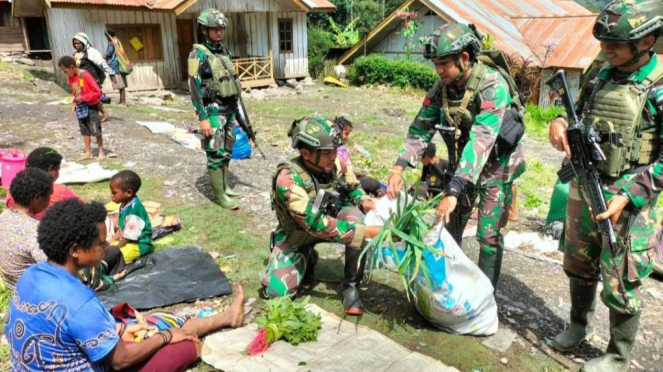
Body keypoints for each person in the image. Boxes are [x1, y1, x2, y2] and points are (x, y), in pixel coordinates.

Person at [548, 1, 663, 371]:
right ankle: (578, 326)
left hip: (632, 196)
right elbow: (577, 114)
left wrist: (629, 195)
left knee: (621, 276)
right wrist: (559, 122)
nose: (606, 49)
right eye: (603, 41)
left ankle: (617, 354)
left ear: (648, 42)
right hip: (586, 183)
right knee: (578, 261)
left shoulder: (659, 85)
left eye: (616, 43)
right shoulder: (601, 72)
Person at [7, 198, 247, 371]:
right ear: (76, 251)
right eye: (101, 243)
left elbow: (61, 329)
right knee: (185, 345)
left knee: (145, 325)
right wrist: (165, 337)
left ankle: (225, 318)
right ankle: (218, 320)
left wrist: (119, 330)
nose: (106, 248)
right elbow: (120, 360)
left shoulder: (31, 275)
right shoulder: (80, 301)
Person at [386, 23, 526, 289]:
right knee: (450, 223)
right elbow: (420, 127)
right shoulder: (441, 88)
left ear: (464, 58)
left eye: (444, 64)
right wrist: (399, 166)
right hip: (464, 163)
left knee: (488, 235)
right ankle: (453, 283)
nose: (438, 70)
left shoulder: (492, 86)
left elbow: (481, 140)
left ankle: (485, 295)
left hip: (496, 164)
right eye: (435, 64)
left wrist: (453, 190)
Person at [261, 116, 384, 315]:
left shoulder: (335, 163)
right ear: (306, 153)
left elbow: (353, 187)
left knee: (356, 217)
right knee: (277, 292)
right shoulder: (288, 180)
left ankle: (351, 287)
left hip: (332, 218)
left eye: (335, 151)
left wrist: (363, 201)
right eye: (327, 153)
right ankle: (305, 254)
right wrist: (369, 232)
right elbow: (315, 224)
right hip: (300, 233)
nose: (333, 156)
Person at [188, 9, 245, 210]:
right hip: (213, 112)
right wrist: (201, 117)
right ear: (204, 29)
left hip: (229, 109)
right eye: (214, 29)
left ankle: (225, 187)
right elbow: (194, 87)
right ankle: (219, 195)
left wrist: (237, 112)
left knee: (226, 151)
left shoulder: (224, 51)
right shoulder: (197, 54)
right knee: (214, 152)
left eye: (221, 28)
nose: (219, 32)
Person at [0, 168, 52, 291]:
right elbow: (57, 269)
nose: (50, 201)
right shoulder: (35, 232)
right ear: (37, 198)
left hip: (9, 285)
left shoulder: (3, 217)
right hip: (32, 293)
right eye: (49, 196)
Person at [5, 147, 83, 219]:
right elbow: (84, 211)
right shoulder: (61, 191)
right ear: (50, 169)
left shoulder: (12, 193)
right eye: (58, 169)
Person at [59, 55, 106, 162]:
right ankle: (88, 153)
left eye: (65, 71)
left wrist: (84, 98)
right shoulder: (71, 78)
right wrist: (74, 102)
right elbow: (74, 91)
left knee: (95, 129)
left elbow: (97, 91)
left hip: (91, 106)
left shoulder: (84, 75)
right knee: (84, 129)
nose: (65, 73)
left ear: (71, 67)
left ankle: (101, 152)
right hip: (80, 107)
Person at [332, 116, 384, 197]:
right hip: (346, 182)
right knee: (375, 183)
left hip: (343, 179)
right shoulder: (341, 150)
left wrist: (358, 174)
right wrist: (357, 175)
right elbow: (347, 171)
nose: (347, 137)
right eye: (346, 134)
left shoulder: (332, 147)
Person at [109, 170, 153, 264]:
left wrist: (116, 248)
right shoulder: (125, 203)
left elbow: (128, 237)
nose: (112, 196)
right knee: (105, 250)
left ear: (128, 192)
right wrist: (112, 240)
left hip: (137, 245)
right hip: (126, 241)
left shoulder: (134, 211)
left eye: (114, 193)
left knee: (116, 258)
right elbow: (121, 228)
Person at [73, 32, 115, 122]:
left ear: (84, 42)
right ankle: (102, 100)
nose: (76, 45)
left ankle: (104, 113)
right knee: (84, 97)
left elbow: (102, 63)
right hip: (81, 80)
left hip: (92, 80)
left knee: (94, 98)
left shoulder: (91, 52)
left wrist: (111, 74)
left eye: (78, 43)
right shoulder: (76, 54)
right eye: (74, 43)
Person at [104, 28, 132, 107]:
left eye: (106, 36)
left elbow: (109, 53)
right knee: (121, 83)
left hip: (115, 64)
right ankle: (121, 101)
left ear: (108, 35)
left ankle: (123, 103)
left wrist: (104, 56)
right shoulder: (117, 40)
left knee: (120, 84)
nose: (106, 38)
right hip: (120, 64)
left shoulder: (111, 42)